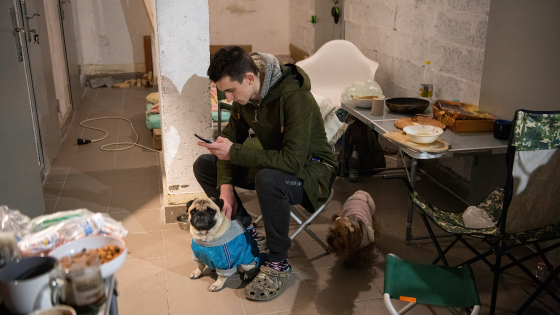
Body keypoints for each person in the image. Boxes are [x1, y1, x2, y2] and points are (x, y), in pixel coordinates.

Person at [194, 46, 336, 300]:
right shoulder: (246, 97)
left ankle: (278, 263)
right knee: (205, 164)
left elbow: (292, 162)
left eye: (230, 90)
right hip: (276, 164)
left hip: (312, 172)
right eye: (223, 91)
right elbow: (228, 140)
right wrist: (225, 185)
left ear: (249, 78)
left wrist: (234, 153)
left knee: (268, 179)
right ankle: (246, 231)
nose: (228, 98)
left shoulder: (295, 97)